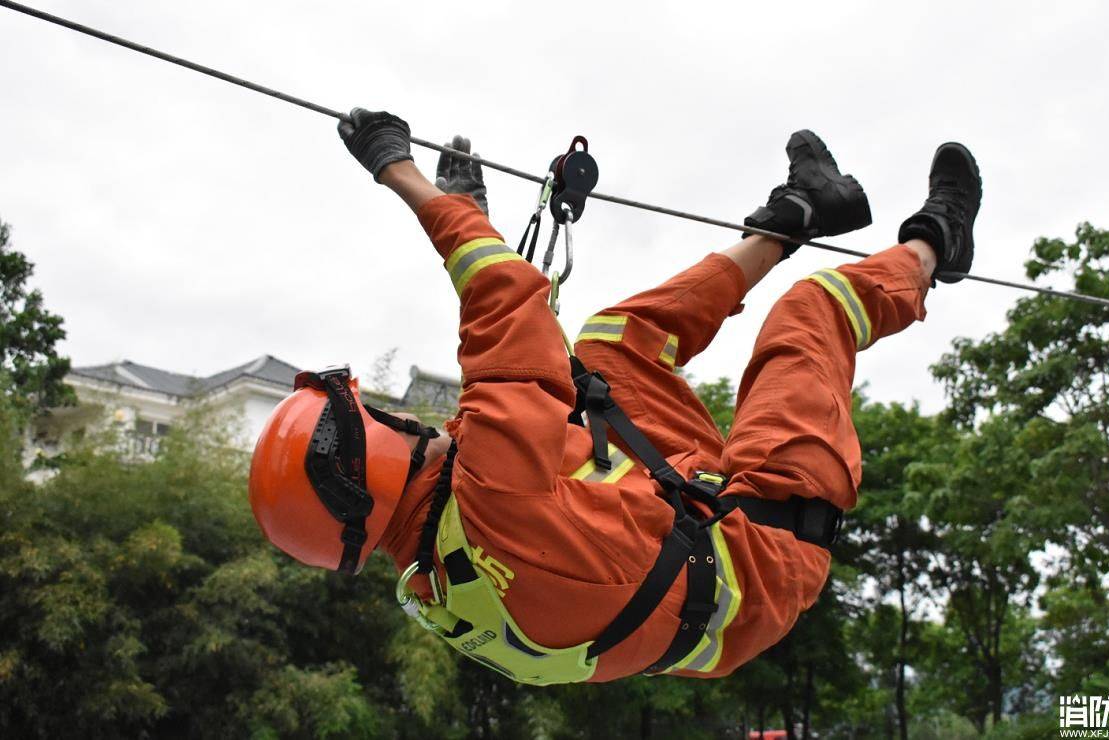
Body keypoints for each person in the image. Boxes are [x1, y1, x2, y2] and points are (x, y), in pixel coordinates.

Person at [248, 108, 982, 684]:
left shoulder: (430, 564)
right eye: (385, 417)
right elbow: (504, 300)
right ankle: (935, 243)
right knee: (813, 312)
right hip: (766, 536)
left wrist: (468, 205)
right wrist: (399, 172)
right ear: (370, 452)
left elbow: (512, 367)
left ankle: (796, 214)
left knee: (607, 348)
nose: (404, 415)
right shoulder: (491, 494)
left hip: (679, 517)